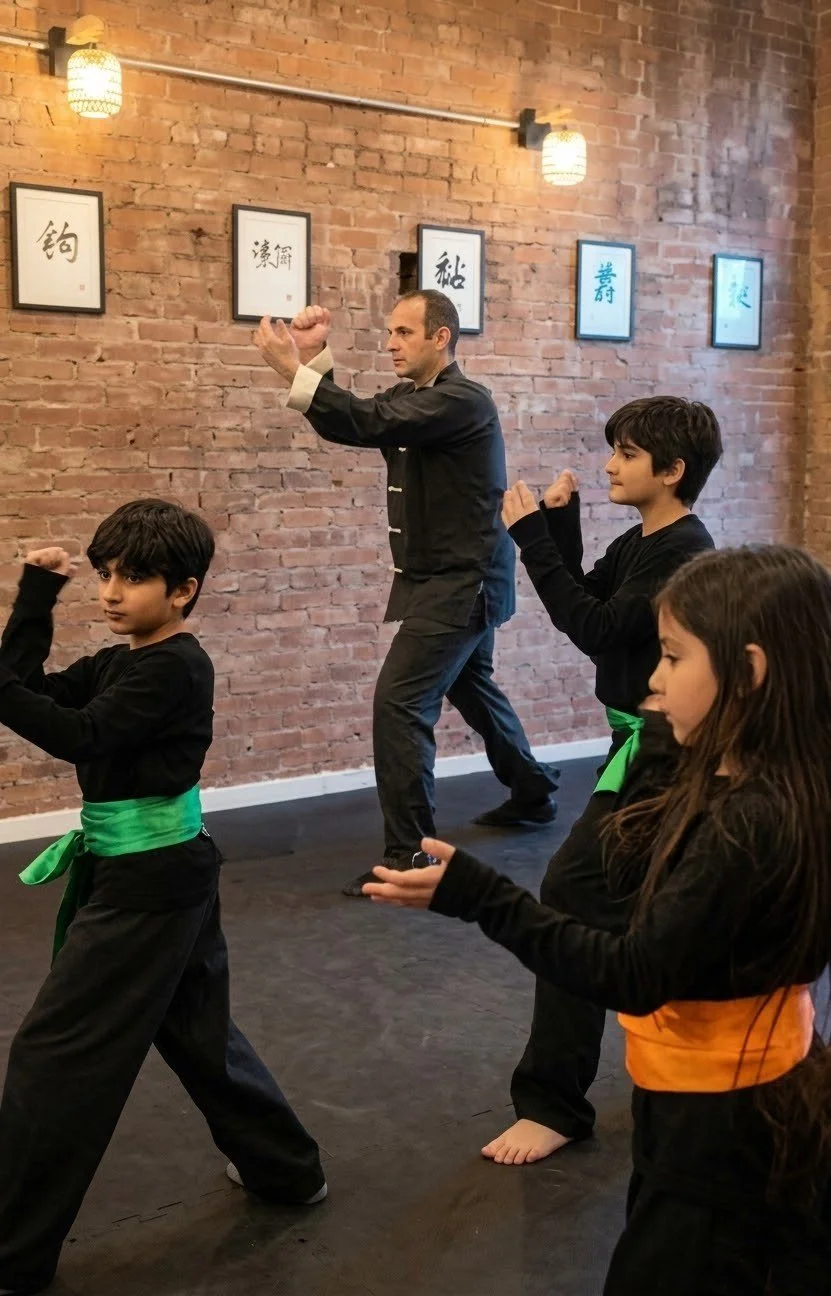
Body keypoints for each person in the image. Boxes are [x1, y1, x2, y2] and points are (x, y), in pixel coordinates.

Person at [365, 544, 831, 1296]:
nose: (654, 680)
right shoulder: (748, 779)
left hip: (724, 1123)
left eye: (672, 658)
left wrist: (482, 896)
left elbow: (632, 974)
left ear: (747, 673)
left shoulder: (752, 824)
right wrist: (662, 736)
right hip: (718, 1101)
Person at [0, 500, 325, 1296]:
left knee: (55, 1054)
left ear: (183, 590)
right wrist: (36, 596)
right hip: (159, 870)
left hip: (151, 883)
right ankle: (286, 1170)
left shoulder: (175, 667)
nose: (111, 592)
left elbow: (78, 735)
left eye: (134, 578)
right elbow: (30, 689)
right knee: (195, 1031)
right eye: (105, 574)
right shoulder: (120, 662)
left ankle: (11, 1254)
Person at [254, 290, 558, 898]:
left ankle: (411, 853)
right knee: (471, 687)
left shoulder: (464, 400)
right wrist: (314, 357)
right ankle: (533, 792)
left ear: (440, 338)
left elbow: (368, 422)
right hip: (441, 577)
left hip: (464, 579)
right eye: (390, 332)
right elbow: (356, 419)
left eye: (403, 333)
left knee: (399, 703)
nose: (390, 344)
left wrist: (289, 369)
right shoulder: (414, 397)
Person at [484, 396, 722, 1166]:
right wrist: (559, 525)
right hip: (640, 747)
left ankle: (554, 1103)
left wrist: (529, 537)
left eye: (625, 454)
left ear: (671, 470)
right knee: (616, 900)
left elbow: (591, 627)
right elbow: (591, 605)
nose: (610, 465)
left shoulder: (682, 551)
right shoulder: (642, 541)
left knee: (574, 893)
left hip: (663, 752)